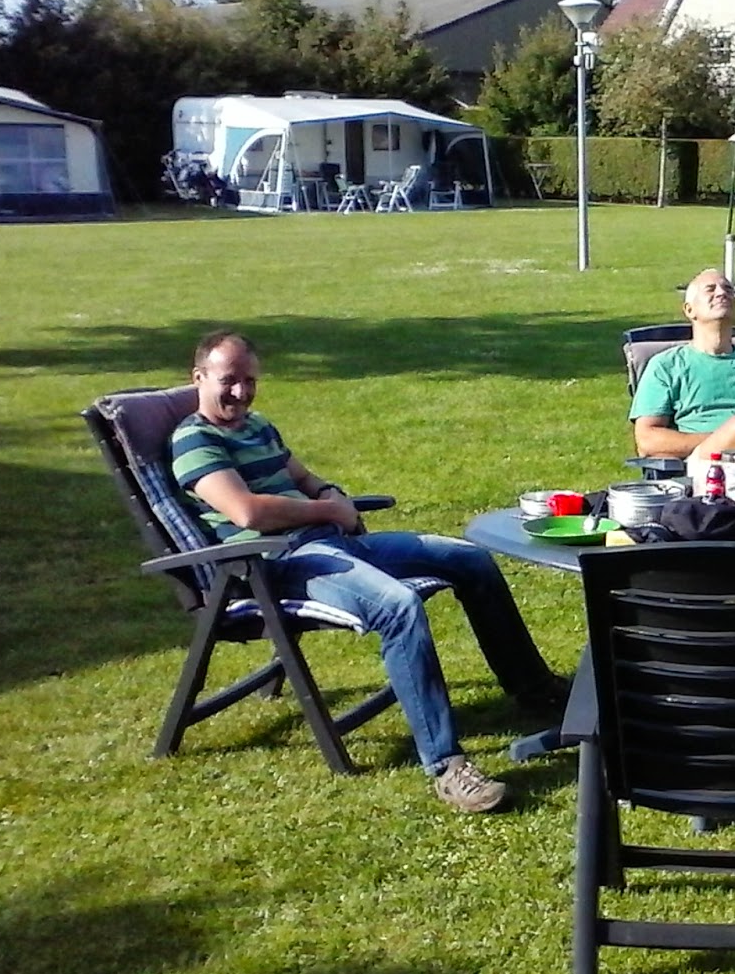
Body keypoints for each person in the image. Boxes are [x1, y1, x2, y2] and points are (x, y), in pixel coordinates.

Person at [171, 330, 561, 813]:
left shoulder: (257, 426)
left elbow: (305, 479)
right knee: (398, 606)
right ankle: (446, 766)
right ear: (199, 378)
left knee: (469, 558)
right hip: (278, 564)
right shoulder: (193, 440)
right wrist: (327, 513)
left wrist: (332, 494)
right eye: (229, 381)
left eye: (249, 380)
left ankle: (535, 690)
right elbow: (246, 512)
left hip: (332, 542)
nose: (241, 392)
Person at [629, 269, 735, 459]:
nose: (721, 293)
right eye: (710, 289)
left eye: (728, 289)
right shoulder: (666, 366)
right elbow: (647, 440)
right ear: (689, 310)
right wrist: (733, 438)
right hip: (703, 470)